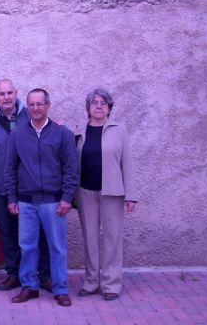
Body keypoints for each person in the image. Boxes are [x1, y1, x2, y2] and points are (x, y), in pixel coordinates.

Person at [5, 88, 78, 307]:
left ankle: (60, 289)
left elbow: (71, 169)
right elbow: (10, 169)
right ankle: (29, 287)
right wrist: (11, 198)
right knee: (27, 246)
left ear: (48, 105)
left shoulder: (62, 134)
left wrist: (67, 198)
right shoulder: (17, 134)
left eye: (40, 104)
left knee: (57, 247)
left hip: (54, 202)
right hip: (26, 202)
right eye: (32, 104)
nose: (35, 108)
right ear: (27, 107)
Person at [0, 78, 52, 291]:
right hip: (0, 189)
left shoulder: (32, 117)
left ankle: (43, 274)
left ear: (16, 93)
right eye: (2, 94)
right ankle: (14, 274)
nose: (7, 97)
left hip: (30, 189)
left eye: (10, 93)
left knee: (38, 234)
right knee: (9, 234)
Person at [75, 88, 138, 301]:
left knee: (112, 238)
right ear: (88, 108)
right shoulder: (80, 131)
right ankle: (92, 281)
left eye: (103, 103)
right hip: (86, 191)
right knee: (90, 238)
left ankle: (111, 283)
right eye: (94, 103)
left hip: (112, 192)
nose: (99, 106)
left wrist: (131, 195)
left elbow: (127, 164)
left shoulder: (119, 130)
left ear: (109, 107)